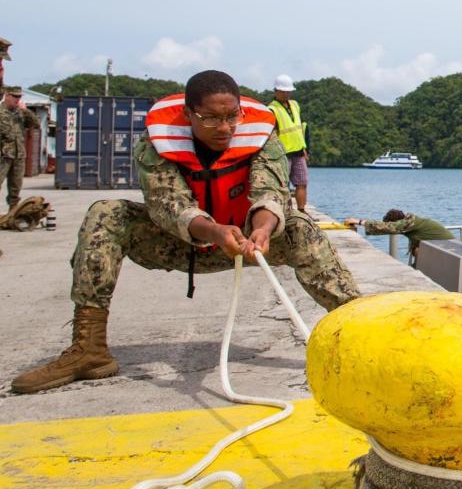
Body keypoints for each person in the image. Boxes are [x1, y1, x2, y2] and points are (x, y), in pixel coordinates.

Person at [10, 70, 361, 394]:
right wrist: (213, 231)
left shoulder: (261, 135)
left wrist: (263, 227)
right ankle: (89, 350)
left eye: (231, 116)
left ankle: (365, 332)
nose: (224, 127)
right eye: (210, 118)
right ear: (189, 114)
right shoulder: (157, 143)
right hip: (182, 243)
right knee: (107, 214)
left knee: (301, 228)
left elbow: (271, 191)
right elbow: (168, 205)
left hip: (249, 240)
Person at [343, 209, 452, 267]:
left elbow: (388, 227)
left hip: (451, 250)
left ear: (397, 222)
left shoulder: (410, 223)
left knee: (417, 250)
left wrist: (359, 221)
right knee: (416, 250)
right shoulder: (412, 223)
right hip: (446, 249)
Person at [268, 75, 309, 212]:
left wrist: (304, 148)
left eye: (288, 91)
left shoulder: (295, 105)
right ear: (276, 91)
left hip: (298, 151)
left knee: (302, 183)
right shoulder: (271, 110)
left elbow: (300, 128)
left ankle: (302, 211)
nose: (286, 94)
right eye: (283, 91)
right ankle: (284, 213)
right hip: (283, 154)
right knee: (283, 186)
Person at [1, 86, 38, 211]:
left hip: (18, 155)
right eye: (14, 96)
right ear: (7, 95)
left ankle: (12, 213)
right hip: (3, 155)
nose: (17, 99)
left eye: (19, 97)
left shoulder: (21, 113)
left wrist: (25, 111)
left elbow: (36, 124)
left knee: (15, 187)